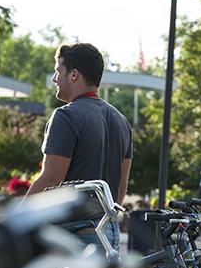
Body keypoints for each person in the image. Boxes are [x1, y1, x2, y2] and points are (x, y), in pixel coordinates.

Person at [24, 42, 132, 252]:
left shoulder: (66, 116)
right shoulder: (122, 121)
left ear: (73, 75)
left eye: (58, 71)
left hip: (73, 236)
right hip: (108, 233)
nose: (55, 79)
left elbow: (51, 179)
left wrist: (18, 218)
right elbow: (121, 187)